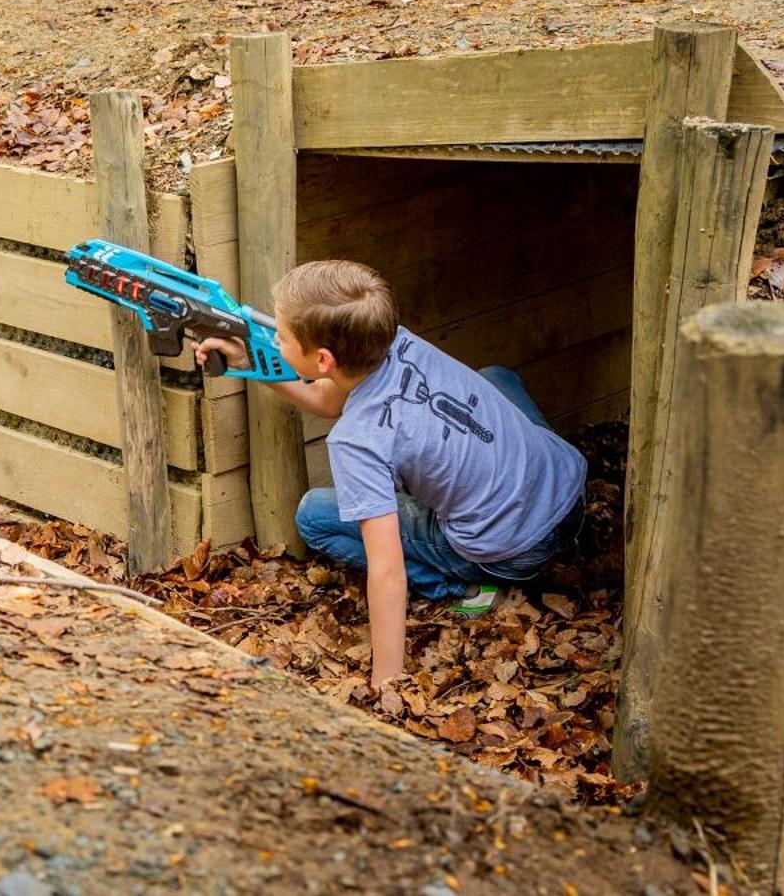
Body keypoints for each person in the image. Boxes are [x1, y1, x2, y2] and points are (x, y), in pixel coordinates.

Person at [196, 260, 585, 690]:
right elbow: (327, 398)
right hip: (567, 487)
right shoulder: (394, 340)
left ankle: (462, 585)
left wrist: (386, 681)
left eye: (282, 338)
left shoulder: (358, 439)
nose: (276, 340)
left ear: (324, 358)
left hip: (517, 551)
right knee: (495, 378)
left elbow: (387, 571)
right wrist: (249, 361)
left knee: (313, 516)